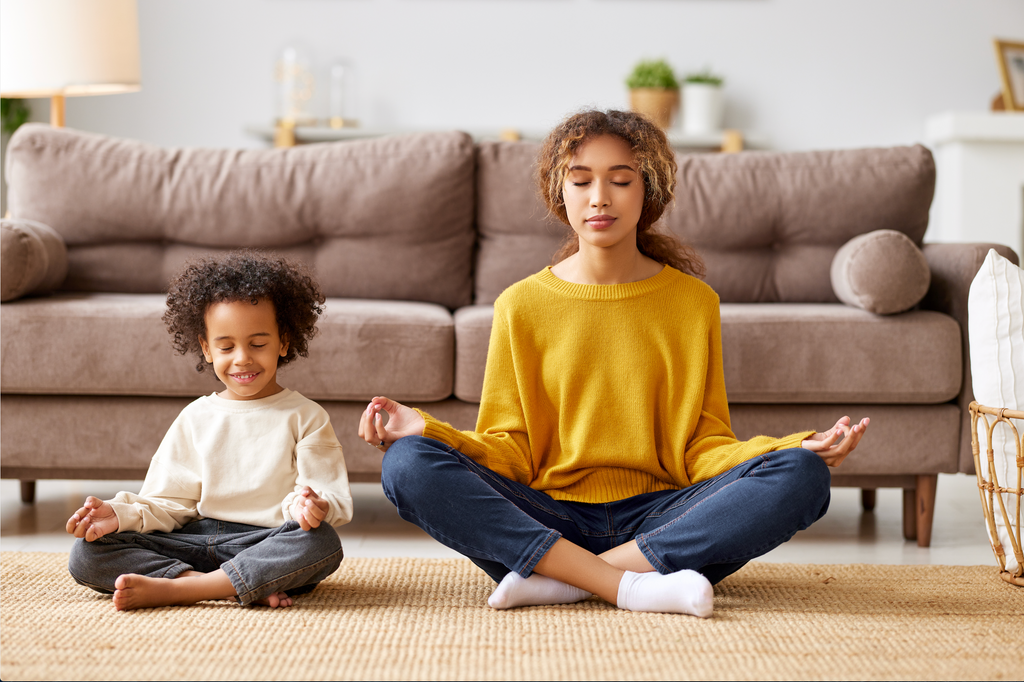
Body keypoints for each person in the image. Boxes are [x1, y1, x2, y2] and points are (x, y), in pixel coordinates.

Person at [358, 109, 869, 618]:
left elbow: (703, 446)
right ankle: (629, 583)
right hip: (547, 516)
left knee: (802, 475)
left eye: (620, 180)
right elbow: (509, 450)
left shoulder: (693, 303)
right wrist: (425, 430)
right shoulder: (521, 305)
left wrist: (793, 447)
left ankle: (565, 579)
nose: (599, 197)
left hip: (663, 518)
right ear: (561, 193)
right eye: (581, 181)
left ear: (649, 191)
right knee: (407, 465)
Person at [67, 251, 352, 611]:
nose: (242, 358)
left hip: (265, 541)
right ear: (206, 349)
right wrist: (118, 515)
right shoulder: (195, 417)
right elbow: (167, 504)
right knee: (88, 551)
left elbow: (328, 497)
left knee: (321, 543)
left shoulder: (306, 416)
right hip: (194, 540)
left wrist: (310, 506)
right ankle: (224, 585)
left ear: (283, 342)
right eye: (226, 346)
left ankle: (179, 588)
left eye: (258, 344)